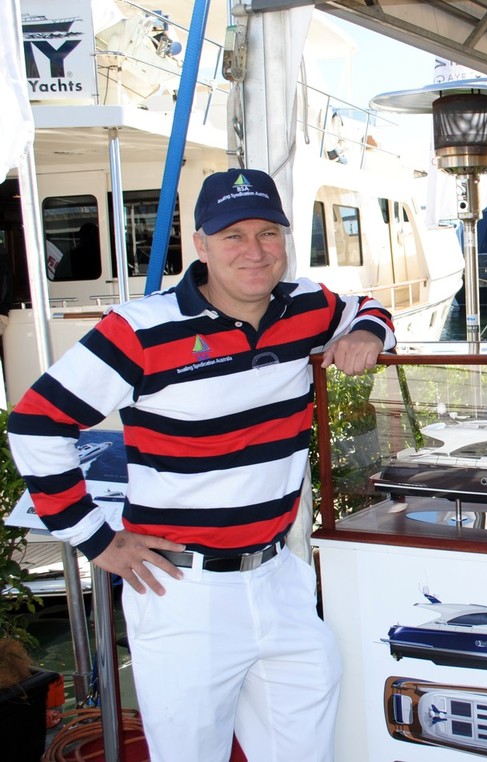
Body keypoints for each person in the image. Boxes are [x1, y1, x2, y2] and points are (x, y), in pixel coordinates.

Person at [8, 169, 396, 762]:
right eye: (233, 235)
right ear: (201, 245)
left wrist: (366, 332)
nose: (254, 251)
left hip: (280, 577)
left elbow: (369, 308)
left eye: (268, 233)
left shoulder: (306, 306)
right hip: (182, 590)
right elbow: (37, 423)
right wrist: (95, 540)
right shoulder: (139, 329)